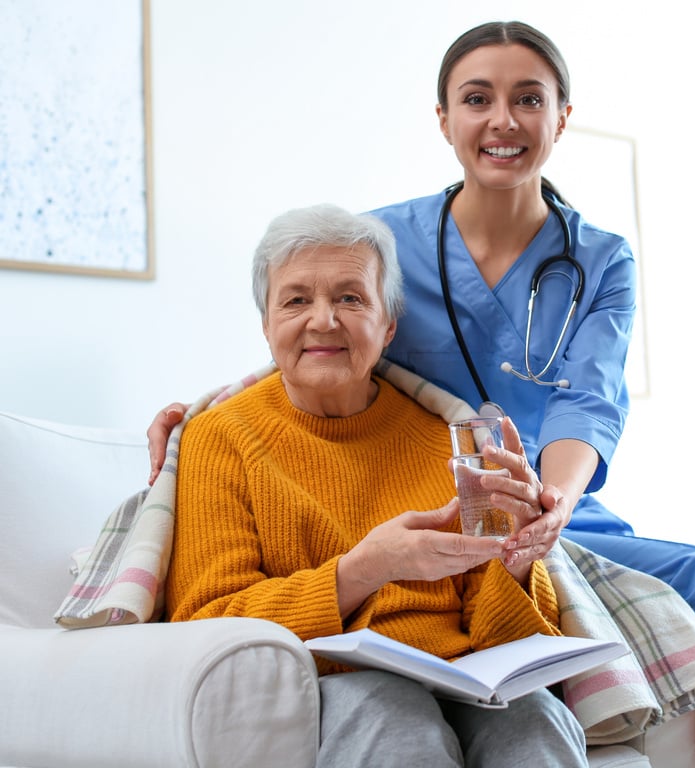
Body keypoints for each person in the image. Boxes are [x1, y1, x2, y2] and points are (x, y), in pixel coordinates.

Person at [150, 21, 695, 767]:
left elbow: (589, 399)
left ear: (561, 117)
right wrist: (207, 408)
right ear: (444, 118)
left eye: (528, 99)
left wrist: (550, 505)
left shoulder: (601, 260)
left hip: (547, 491)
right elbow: (325, 332)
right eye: (477, 98)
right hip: (437, 485)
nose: (502, 121)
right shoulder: (383, 237)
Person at [165, 203, 588, 767]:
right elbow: (203, 623)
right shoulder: (220, 438)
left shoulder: (447, 437)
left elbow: (503, 641)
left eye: (350, 298)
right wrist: (364, 569)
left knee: (539, 719)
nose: (323, 320)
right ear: (266, 324)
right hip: (333, 683)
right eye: (296, 300)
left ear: (388, 327)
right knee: (393, 715)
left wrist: (513, 558)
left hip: (465, 677)